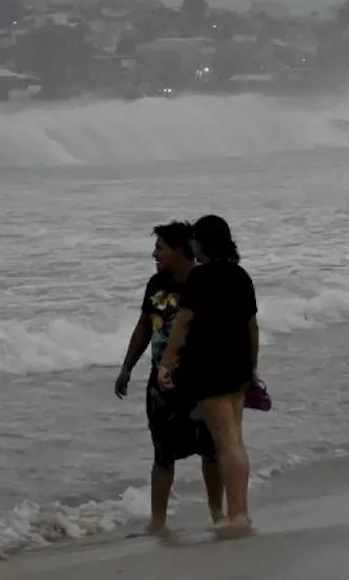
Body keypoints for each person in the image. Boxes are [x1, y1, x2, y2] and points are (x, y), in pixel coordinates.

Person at [115, 221, 223, 535]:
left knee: (211, 451)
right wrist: (127, 367)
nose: (155, 254)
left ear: (179, 249)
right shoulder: (156, 284)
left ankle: (218, 516)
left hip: (202, 382)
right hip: (161, 385)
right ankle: (158, 522)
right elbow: (144, 327)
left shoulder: (205, 282)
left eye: (160, 247)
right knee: (162, 454)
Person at [157, 214, 259, 538]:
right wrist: (252, 366)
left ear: (204, 242)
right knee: (236, 441)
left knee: (225, 442)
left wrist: (166, 363)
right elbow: (252, 327)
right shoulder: (241, 276)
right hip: (238, 366)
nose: (193, 246)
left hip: (210, 368)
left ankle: (238, 515)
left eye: (195, 241)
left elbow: (182, 325)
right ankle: (240, 511)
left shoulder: (201, 278)